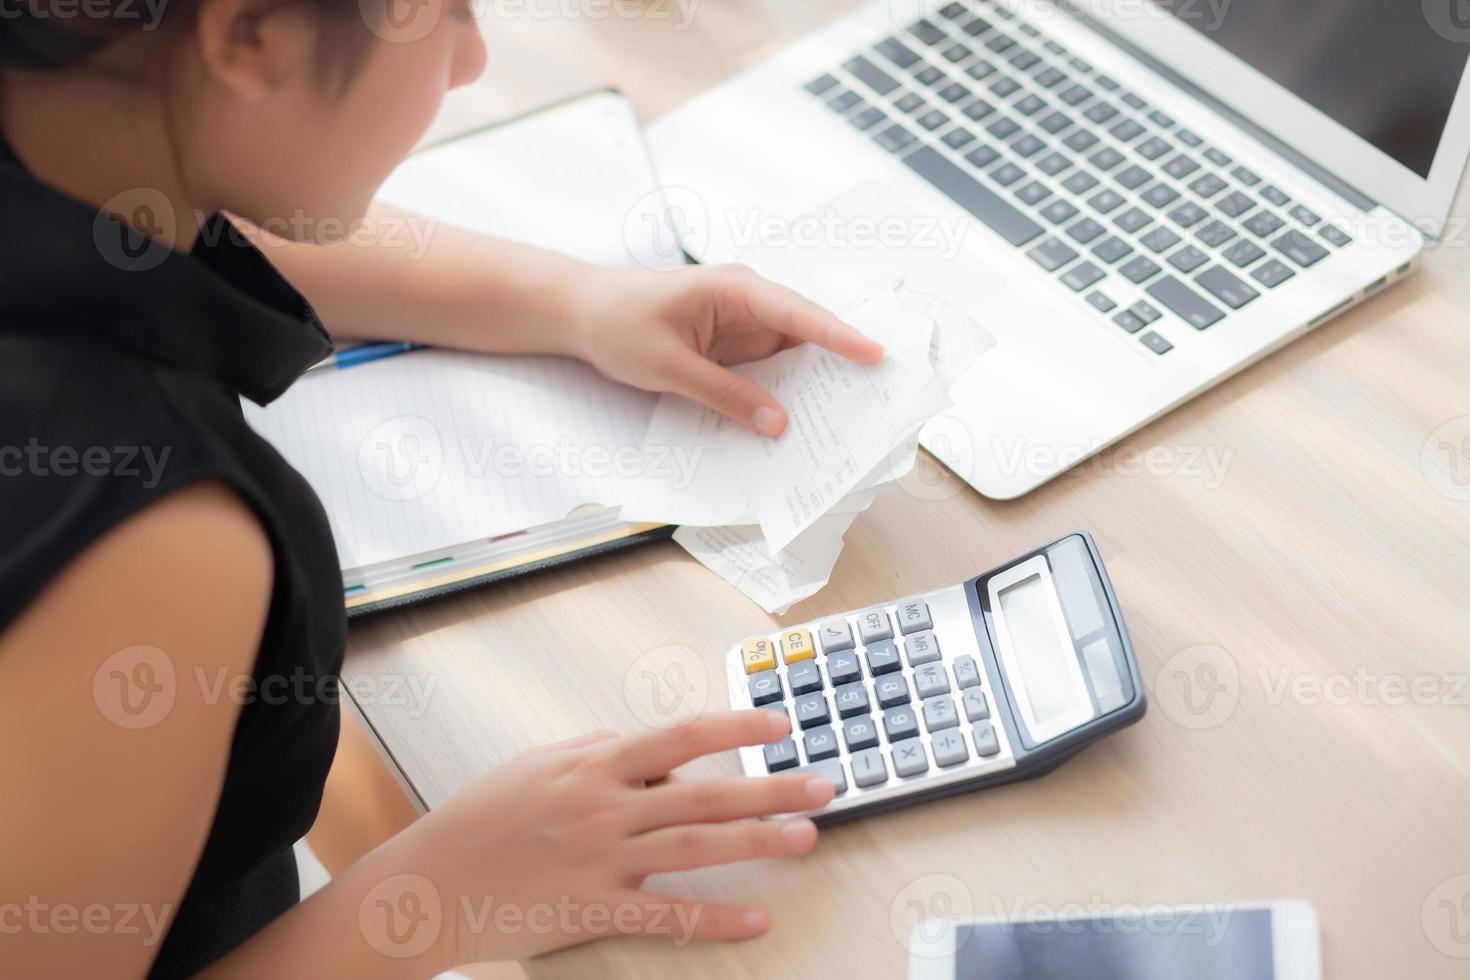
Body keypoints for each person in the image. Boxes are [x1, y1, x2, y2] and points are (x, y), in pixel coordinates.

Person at [0, 1, 884, 976]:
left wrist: (576, 300)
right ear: (249, 36)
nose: (471, 61)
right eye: (450, 11)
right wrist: (441, 891)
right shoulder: (155, 541)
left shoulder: (52, 105)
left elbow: (194, 202)